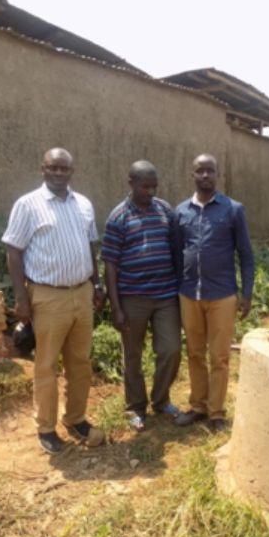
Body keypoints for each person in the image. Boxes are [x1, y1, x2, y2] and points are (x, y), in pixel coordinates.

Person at [2, 147, 106, 455]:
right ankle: (46, 428)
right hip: (47, 295)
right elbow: (13, 252)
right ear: (42, 169)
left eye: (65, 169)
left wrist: (97, 283)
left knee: (80, 361)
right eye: (53, 168)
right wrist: (21, 297)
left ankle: (75, 418)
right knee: (46, 365)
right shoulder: (28, 205)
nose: (59, 174)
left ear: (72, 172)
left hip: (82, 293)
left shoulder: (83, 204)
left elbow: (91, 247)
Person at [174, 153, 254, 432]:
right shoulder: (181, 211)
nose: (205, 175)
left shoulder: (233, 210)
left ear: (217, 175)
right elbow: (176, 253)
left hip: (222, 294)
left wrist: (247, 293)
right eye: (200, 171)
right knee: (194, 353)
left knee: (219, 356)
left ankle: (216, 412)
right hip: (189, 295)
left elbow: (245, 253)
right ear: (192, 174)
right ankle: (198, 405)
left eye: (210, 171)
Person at [101, 160, 182, 432]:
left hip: (165, 295)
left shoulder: (164, 211)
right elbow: (109, 263)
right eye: (144, 186)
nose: (150, 191)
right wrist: (116, 306)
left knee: (171, 349)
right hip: (132, 297)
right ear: (131, 184)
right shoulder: (118, 216)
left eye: (154, 186)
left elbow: (174, 249)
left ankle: (161, 400)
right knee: (132, 355)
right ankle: (135, 406)